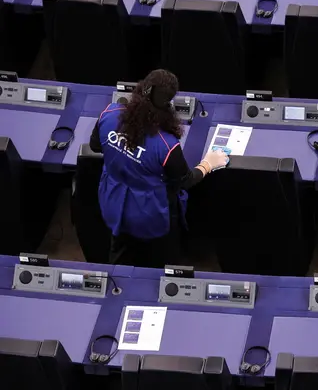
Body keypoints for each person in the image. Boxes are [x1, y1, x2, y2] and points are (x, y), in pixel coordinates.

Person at [89, 69, 228, 268]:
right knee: (164, 264)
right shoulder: (166, 145)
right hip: (150, 215)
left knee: (120, 257)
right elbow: (185, 180)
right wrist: (208, 164)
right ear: (168, 105)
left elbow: (95, 145)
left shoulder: (110, 113)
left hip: (113, 201)